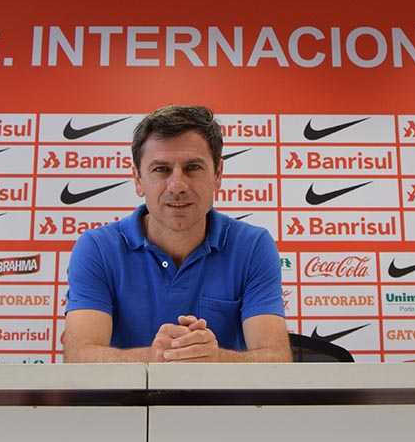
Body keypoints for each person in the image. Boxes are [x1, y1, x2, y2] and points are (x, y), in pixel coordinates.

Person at [63, 105, 291, 362]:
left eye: (193, 167)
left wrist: (215, 359)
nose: (178, 185)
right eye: (161, 169)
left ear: (217, 175)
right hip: (128, 403)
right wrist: (152, 358)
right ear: (138, 180)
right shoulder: (97, 248)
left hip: (222, 403)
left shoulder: (253, 246)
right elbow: (79, 356)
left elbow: (277, 358)